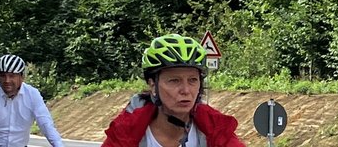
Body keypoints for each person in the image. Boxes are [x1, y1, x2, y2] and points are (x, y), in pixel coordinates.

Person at [101, 34, 244, 147]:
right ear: (153, 85)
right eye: (174, 80)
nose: (186, 90)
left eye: (193, 80)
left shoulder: (217, 131)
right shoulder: (125, 134)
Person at [0, 54, 65, 147]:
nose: (7, 80)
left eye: (12, 76)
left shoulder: (32, 94)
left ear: (22, 77)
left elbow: (45, 123)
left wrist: (58, 145)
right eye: (3, 76)